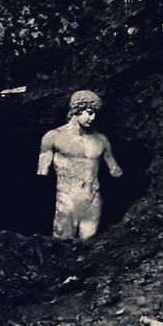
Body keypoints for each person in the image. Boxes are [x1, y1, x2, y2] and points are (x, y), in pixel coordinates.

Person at [37, 91, 122, 240]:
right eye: (89, 113)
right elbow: (42, 172)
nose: (93, 117)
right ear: (76, 110)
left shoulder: (101, 140)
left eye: (95, 113)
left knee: (88, 247)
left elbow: (115, 171)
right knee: (62, 244)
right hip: (67, 198)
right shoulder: (54, 137)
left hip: (93, 198)